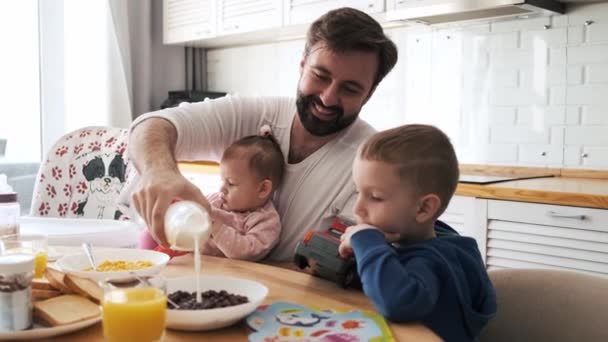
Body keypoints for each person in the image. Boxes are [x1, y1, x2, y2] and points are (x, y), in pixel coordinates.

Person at [124, 7, 399, 261]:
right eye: (320, 76)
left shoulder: (373, 163)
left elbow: (335, 264)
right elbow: (152, 125)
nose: (328, 98)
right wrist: (159, 171)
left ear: (369, 94)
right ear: (302, 66)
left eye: (349, 89)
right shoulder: (256, 113)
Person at [338, 124, 497, 341]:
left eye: (375, 196)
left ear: (424, 209)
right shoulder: (408, 240)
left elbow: (397, 302)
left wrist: (367, 242)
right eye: (358, 191)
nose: (357, 208)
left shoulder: (432, 262)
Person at [140, 127, 285, 261]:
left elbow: (246, 252)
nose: (222, 188)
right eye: (222, 181)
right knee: (151, 233)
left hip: (217, 269)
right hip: (188, 251)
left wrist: (217, 228)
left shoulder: (266, 221)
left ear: (263, 189)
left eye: (231, 183)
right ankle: (143, 265)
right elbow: (194, 211)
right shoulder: (216, 200)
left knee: (166, 257)